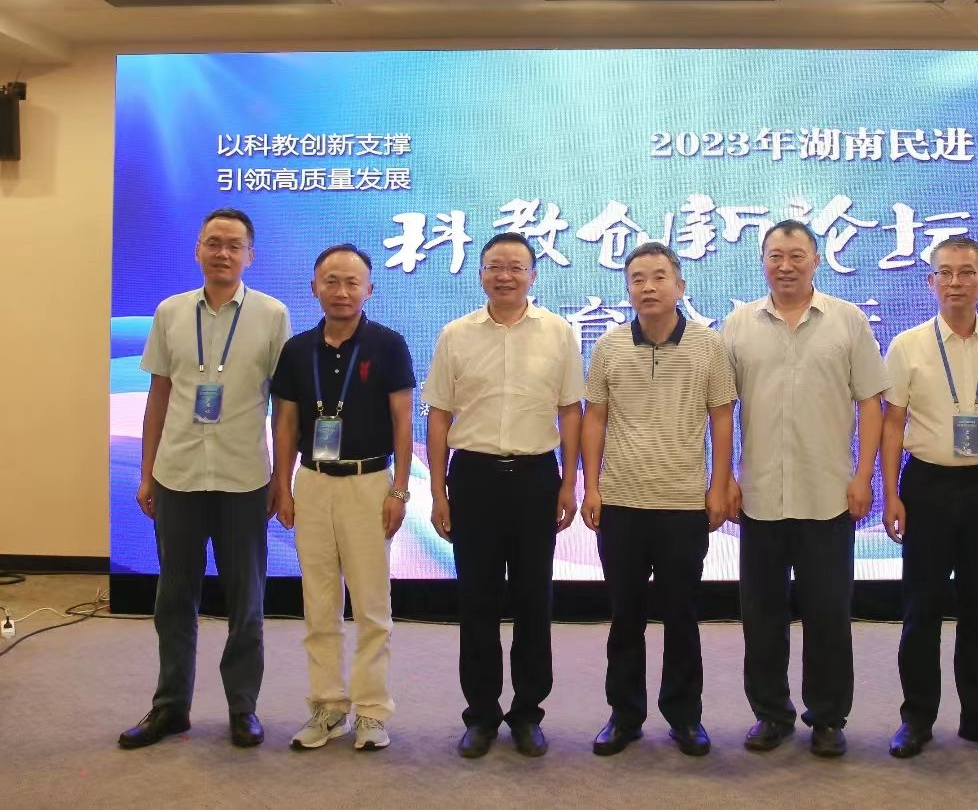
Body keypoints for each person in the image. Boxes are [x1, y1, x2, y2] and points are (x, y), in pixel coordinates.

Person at [120, 208, 291, 749]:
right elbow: (158, 397)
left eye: (234, 245)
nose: (223, 253)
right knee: (174, 599)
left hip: (244, 478)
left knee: (246, 602)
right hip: (178, 475)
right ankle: (170, 707)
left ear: (250, 256)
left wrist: (281, 479)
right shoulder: (170, 311)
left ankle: (243, 708)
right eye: (213, 242)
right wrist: (147, 473)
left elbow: (284, 405)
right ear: (197, 250)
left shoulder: (272, 315)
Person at [721, 220, 887, 758]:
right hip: (760, 496)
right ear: (762, 262)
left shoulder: (847, 320)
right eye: (775, 256)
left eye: (796, 255)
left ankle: (828, 717)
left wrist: (863, 476)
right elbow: (720, 408)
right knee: (762, 616)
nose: (785, 265)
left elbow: (871, 402)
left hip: (828, 493)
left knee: (828, 615)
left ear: (817, 260)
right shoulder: (739, 324)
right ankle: (771, 714)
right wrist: (724, 479)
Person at [423, 232, 584, 759]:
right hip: (473, 478)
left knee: (535, 599)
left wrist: (570, 482)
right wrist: (439, 490)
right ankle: (481, 715)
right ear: (481, 274)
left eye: (516, 267)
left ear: (533, 275)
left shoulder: (558, 332)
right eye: (495, 266)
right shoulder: (455, 334)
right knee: (478, 599)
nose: (505, 276)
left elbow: (570, 411)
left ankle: (528, 713)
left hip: (536, 475)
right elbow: (439, 415)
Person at [880, 237, 978, 759]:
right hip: (926, 487)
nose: (955, 282)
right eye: (945, 273)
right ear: (931, 282)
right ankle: (916, 719)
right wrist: (890, 494)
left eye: (966, 272)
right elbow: (892, 424)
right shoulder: (907, 345)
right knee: (921, 610)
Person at [581, 241, 737, 758]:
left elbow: (721, 417)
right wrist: (591, 486)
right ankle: (624, 716)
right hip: (622, 503)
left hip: (683, 503)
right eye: (637, 279)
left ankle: (685, 717)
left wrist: (719, 485)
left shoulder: (709, 346)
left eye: (658, 277)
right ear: (628, 288)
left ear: (679, 286)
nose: (648, 287)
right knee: (624, 616)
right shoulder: (608, 346)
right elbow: (595, 418)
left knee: (681, 615)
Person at [270, 244, 415, 752]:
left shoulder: (388, 345)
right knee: (319, 603)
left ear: (369, 289)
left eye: (352, 282)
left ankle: (371, 712)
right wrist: (281, 484)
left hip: (369, 483)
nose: (341, 291)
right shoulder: (297, 350)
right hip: (312, 482)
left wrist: (400, 488)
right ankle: (327, 707)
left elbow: (403, 420)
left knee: (372, 605)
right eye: (331, 281)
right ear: (314, 288)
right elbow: (285, 423)